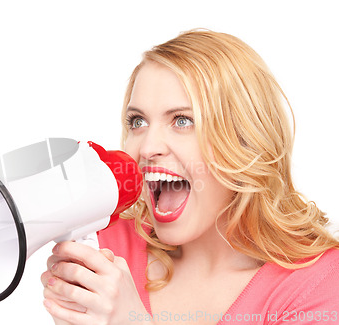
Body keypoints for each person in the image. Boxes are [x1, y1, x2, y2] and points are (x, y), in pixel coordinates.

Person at [40, 29, 339, 324]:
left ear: (245, 139)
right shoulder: (106, 245)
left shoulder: (316, 284)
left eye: (182, 120)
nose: (147, 147)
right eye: (138, 121)